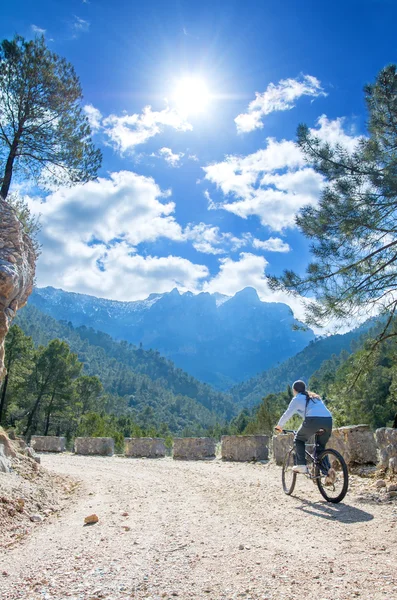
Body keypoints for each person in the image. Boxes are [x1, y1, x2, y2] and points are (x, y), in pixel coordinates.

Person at [274, 380, 333, 475]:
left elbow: (287, 413)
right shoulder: (315, 397)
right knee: (320, 448)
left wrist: (279, 426)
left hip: (313, 420)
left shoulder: (297, 399)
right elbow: (310, 413)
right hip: (328, 420)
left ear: (294, 390)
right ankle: (328, 473)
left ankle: (301, 465)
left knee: (299, 439)